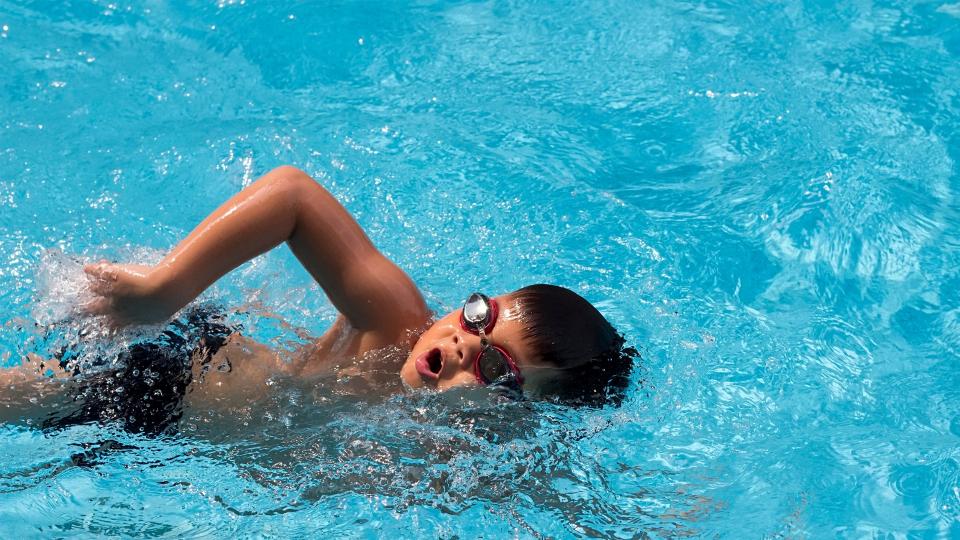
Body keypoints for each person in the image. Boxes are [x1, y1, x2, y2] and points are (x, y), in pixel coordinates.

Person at [8, 166, 634, 430]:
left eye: (496, 368)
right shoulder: (395, 323)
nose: (463, 344)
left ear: (523, 415)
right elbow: (293, 196)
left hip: (167, 444)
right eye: (479, 317)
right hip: (164, 375)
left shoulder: (477, 463)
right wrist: (160, 291)